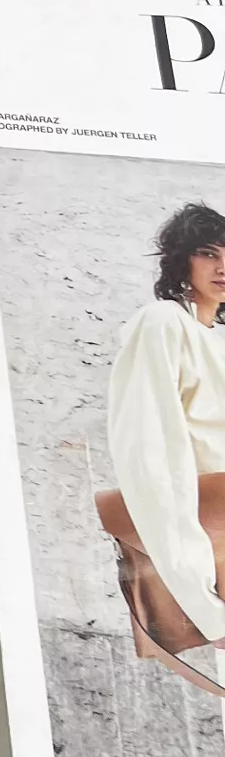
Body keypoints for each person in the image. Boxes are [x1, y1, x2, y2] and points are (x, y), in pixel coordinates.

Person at [107, 203, 225, 648]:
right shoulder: (163, 323)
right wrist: (199, 597)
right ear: (181, 260)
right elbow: (150, 453)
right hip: (206, 543)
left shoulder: (215, 342)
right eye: (208, 253)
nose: (222, 267)